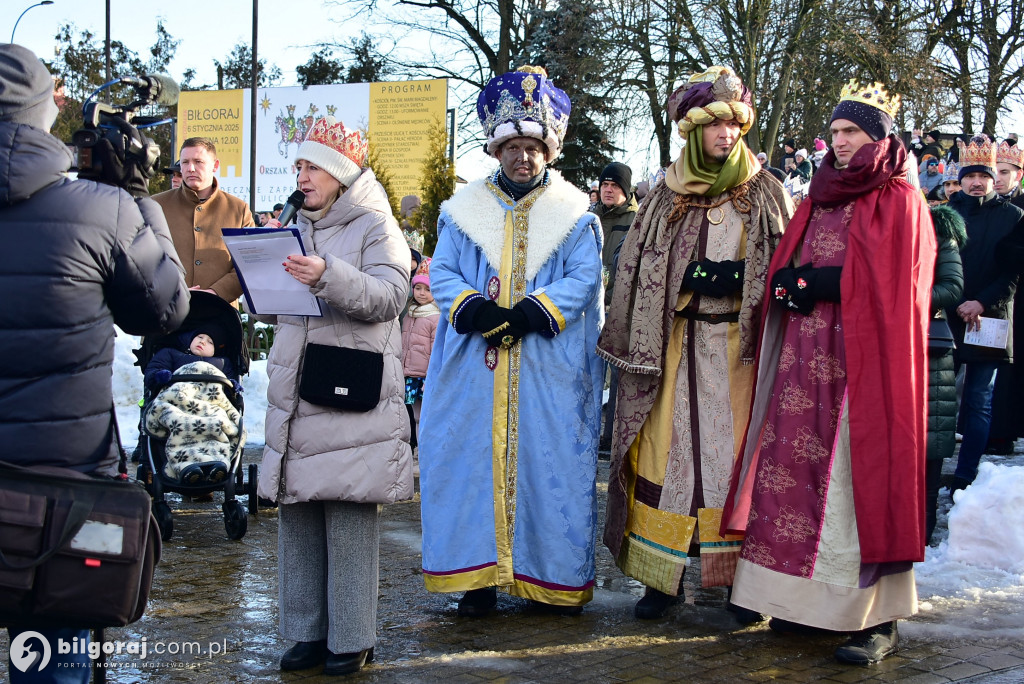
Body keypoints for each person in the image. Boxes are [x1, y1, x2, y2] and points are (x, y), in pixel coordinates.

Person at [722, 79, 936, 665]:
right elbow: (795, 259)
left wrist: (824, 283)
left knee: (852, 482)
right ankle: (797, 604)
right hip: (802, 364)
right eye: (836, 132)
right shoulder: (820, 194)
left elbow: (902, 289)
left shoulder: (901, 199)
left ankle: (877, 618)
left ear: (877, 137)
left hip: (864, 372)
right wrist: (787, 285)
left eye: (852, 133)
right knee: (792, 475)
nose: (840, 143)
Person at [0, 43, 188, 684]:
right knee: (55, 659)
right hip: (64, 490)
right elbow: (164, 311)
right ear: (48, 110)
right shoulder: (100, 210)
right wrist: (137, 198)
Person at [599, 66, 791, 621]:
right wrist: (689, 277)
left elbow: (783, 264)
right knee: (669, 456)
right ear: (693, 131)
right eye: (716, 125)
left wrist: (733, 279)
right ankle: (663, 580)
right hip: (676, 348)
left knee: (733, 462)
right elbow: (634, 268)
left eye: (735, 125)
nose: (727, 135)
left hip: (739, 353)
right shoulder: (663, 195)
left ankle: (741, 586)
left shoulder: (767, 192)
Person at [418, 66, 604, 618]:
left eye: (532, 147)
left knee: (550, 469)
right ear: (496, 149)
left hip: (547, 369)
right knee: (469, 463)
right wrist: (473, 309)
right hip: (475, 365)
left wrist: (530, 313)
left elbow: (586, 277)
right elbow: (443, 270)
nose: (523, 157)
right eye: (512, 147)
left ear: (549, 150)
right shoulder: (461, 212)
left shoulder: (574, 215)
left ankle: (545, 580)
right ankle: (476, 580)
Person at [255, 116, 413, 676]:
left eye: (310, 165)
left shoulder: (374, 222)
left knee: (346, 513)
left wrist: (327, 274)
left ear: (340, 172)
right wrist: (261, 283)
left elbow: (393, 295)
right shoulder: (294, 222)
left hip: (347, 388)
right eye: (298, 166)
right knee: (297, 509)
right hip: (296, 386)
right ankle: (304, 634)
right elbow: (280, 306)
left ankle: (352, 638)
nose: (300, 175)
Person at [946, 137, 1023, 490]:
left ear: (995, 178)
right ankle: (931, 468)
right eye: (970, 175)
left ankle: (965, 473)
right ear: (960, 178)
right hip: (946, 315)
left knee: (978, 400)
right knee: (940, 400)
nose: (977, 182)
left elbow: (1014, 272)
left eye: (984, 175)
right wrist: (951, 300)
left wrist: (980, 302)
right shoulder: (943, 213)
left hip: (989, 317)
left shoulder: (1014, 217)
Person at [153, 137, 256, 302]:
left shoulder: (238, 209)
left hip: (220, 313)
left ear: (215, 165)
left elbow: (249, 263)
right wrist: (172, 289)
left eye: (198, 161)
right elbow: (142, 259)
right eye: (185, 162)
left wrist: (216, 293)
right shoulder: (156, 205)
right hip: (167, 310)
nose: (190, 168)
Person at [924, 205, 965, 544]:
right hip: (877, 339)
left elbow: (952, 287)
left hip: (929, 346)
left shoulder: (939, 228)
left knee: (930, 438)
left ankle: (921, 530)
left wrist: (904, 298)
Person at [401, 269, 439, 452]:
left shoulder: (435, 317)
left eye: (427, 289)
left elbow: (436, 350)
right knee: (415, 416)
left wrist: (432, 377)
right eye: (418, 287)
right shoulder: (409, 314)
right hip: (411, 374)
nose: (422, 293)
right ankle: (417, 451)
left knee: (426, 417)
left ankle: (427, 453)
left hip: (425, 376)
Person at [594, 161, 639, 303]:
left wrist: (606, 298)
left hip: (619, 305)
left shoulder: (637, 222)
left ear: (625, 190)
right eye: (604, 184)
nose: (608, 189)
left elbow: (637, 272)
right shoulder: (589, 218)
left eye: (615, 185)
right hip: (587, 303)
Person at [995, 140, 1024, 210]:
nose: (996, 179)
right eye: (993, 172)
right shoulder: (978, 203)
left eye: (1004, 172)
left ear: (1018, 175)